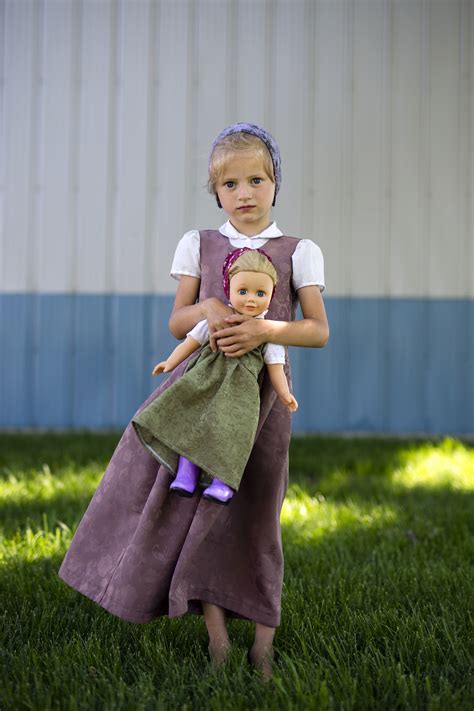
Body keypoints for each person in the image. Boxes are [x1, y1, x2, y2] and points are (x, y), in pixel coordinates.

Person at [58, 122, 329, 682]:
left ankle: (263, 645)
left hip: (261, 407)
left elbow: (318, 329)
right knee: (202, 511)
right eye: (229, 184)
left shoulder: (298, 251)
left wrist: (265, 331)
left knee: (255, 512)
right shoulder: (199, 244)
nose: (245, 193)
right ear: (216, 193)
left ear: (276, 183)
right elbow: (177, 320)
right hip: (200, 400)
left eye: (257, 179)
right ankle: (217, 643)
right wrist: (206, 311)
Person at [131, 247, 298, 506]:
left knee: (230, 436)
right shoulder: (218, 320)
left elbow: (276, 368)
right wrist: (170, 362)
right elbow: (190, 342)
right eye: (243, 291)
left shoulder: (266, 333)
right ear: (228, 288)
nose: (251, 299)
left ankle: (222, 483)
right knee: (192, 423)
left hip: (239, 394)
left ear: (271, 295)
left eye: (260, 293)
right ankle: (186, 474)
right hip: (204, 381)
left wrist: (285, 394)